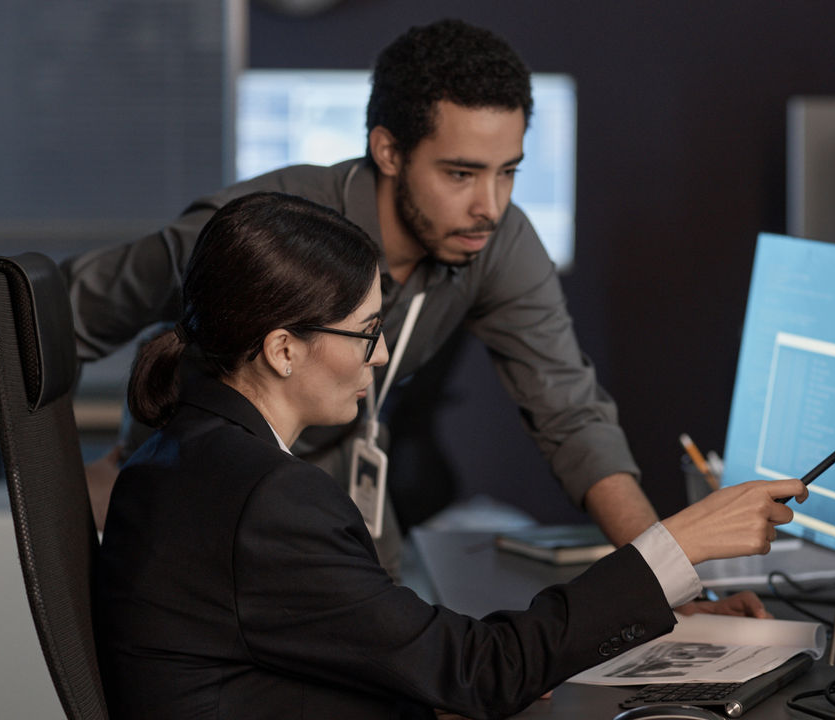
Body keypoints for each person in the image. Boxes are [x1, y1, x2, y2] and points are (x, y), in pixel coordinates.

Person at [95, 191, 808, 719]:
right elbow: (481, 673)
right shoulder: (267, 499)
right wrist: (678, 546)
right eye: (364, 332)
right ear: (283, 348)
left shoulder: (180, 455)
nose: (376, 359)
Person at [63, 18, 686, 580]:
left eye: (509, 172)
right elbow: (54, 314)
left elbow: (571, 416)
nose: (490, 207)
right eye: (460, 174)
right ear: (389, 151)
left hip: (335, 479)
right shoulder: (257, 231)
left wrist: (673, 586)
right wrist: (55, 487)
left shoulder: (496, 241)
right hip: (201, 489)